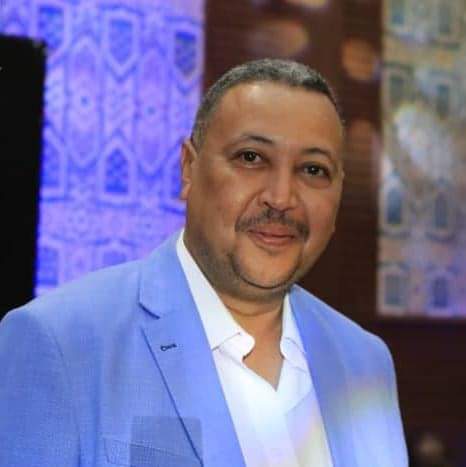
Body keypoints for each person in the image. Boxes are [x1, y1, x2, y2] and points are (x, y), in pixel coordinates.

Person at [0, 59, 408, 466]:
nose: (282, 198)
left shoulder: (365, 360)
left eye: (313, 169)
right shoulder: (61, 343)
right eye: (251, 157)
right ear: (188, 169)